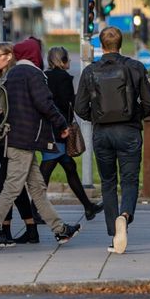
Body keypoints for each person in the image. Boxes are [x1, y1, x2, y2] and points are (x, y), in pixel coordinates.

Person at [0, 39, 81, 247]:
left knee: (37, 188)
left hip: (15, 137)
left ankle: (60, 230)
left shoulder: (12, 74)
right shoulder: (33, 74)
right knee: (12, 187)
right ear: (34, 55)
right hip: (25, 139)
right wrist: (62, 124)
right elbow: (45, 103)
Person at [74, 26, 150, 254]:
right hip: (129, 132)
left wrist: (98, 118)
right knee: (129, 180)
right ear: (121, 44)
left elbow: (80, 107)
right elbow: (149, 101)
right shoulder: (136, 67)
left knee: (108, 183)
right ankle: (125, 216)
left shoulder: (90, 71)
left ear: (101, 46)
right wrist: (134, 116)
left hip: (102, 134)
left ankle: (114, 235)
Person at [0, 42, 42, 243]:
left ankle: (5, 230)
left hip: (11, 138)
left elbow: (12, 109)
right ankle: (30, 229)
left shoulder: (13, 78)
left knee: (5, 185)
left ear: (10, 56)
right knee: (15, 186)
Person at [41, 46, 103, 220]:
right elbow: (69, 103)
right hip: (60, 130)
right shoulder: (64, 78)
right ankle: (34, 209)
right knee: (46, 169)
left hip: (48, 128)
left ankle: (89, 207)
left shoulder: (43, 77)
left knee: (69, 168)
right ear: (63, 60)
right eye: (67, 59)